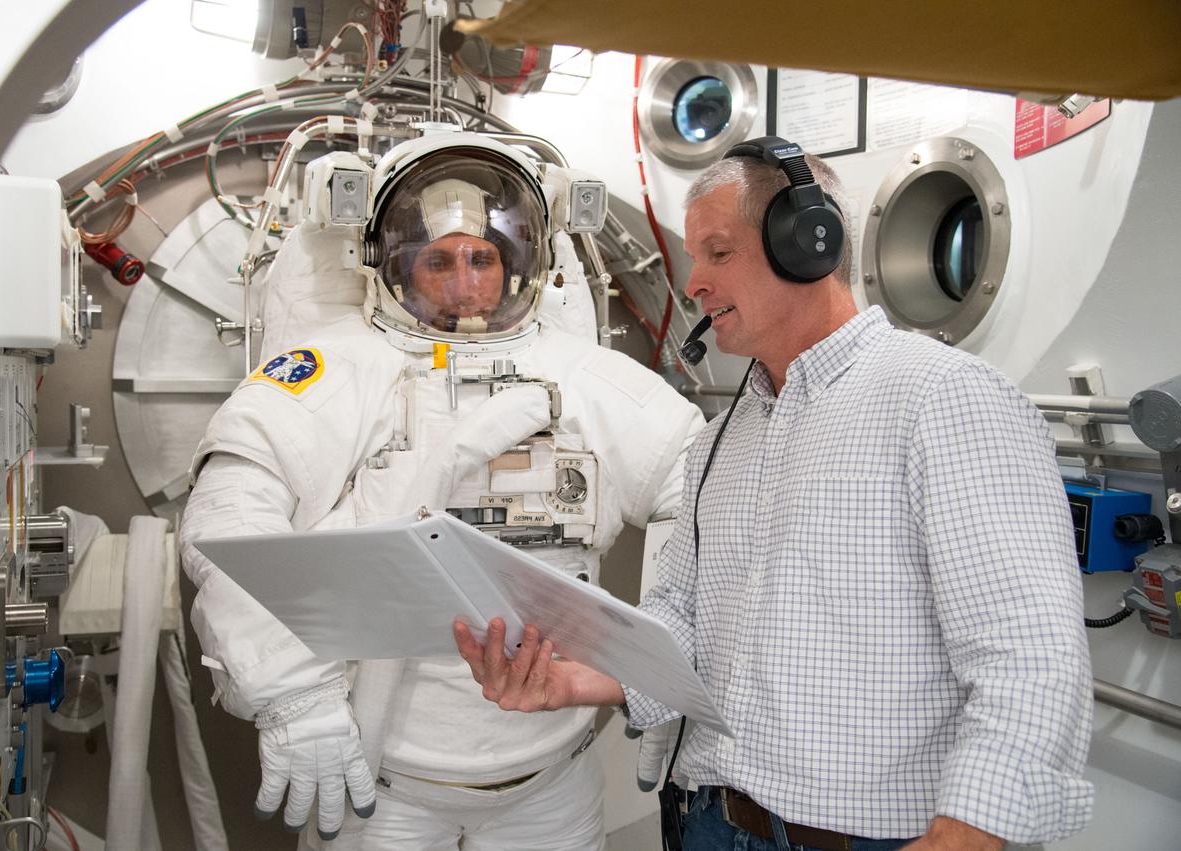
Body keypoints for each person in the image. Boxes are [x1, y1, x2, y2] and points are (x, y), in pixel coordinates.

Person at [455, 137, 1094, 851]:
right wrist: (580, 677)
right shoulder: (720, 439)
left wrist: (970, 833)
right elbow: (686, 624)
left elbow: (1029, 656)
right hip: (708, 821)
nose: (693, 281)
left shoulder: (944, 401)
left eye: (717, 252)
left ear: (807, 244)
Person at [179, 133, 705, 849]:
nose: (464, 282)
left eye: (482, 258)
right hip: (383, 786)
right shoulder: (336, 370)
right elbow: (230, 515)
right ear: (392, 264)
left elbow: (703, 492)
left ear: (520, 261)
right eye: (439, 259)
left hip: (552, 782)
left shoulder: (588, 380)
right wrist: (291, 695)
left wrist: (662, 679)